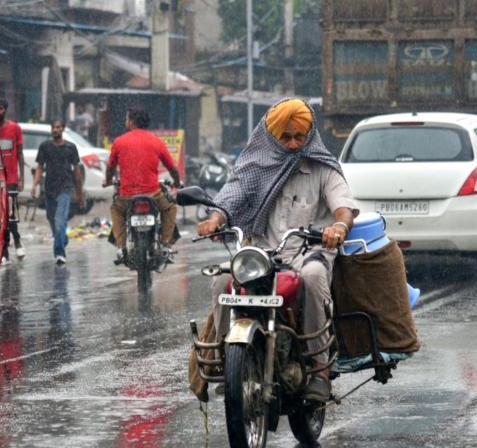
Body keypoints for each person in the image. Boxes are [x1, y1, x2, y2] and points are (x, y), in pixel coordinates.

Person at [196, 98, 359, 403]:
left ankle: (319, 368)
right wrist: (215, 219)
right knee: (221, 279)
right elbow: (233, 192)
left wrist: (339, 227)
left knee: (312, 277)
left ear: (310, 135)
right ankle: (224, 358)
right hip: (262, 254)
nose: (294, 144)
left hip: (307, 252)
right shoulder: (255, 166)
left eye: (300, 137)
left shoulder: (323, 169)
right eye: (286, 137)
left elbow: (344, 206)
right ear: (272, 136)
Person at [104, 107, 182, 263]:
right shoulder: (156, 141)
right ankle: (166, 246)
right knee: (170, 207)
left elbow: (110, 168)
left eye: (127, 119)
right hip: (153, 195)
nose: (126, 122)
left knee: (116, 209)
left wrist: (107, 181)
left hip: (126, 197)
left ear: (132, 121)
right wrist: (177, 182)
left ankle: (121, 247)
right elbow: (172, 168)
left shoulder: (119, 141)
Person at [31, 119, 85, 265]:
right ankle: (63, 239)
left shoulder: (71, 148)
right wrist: (35, 185)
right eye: (53, 127)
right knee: (51, 219)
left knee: (60, 220)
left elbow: (77, 172)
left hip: (65, 189)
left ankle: (60, 253)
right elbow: (40, 167)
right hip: (49, 189)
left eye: (58, 127)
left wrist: (80, 193)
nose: (55, 130)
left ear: (63, 129)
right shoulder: (45, 147)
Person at [0, 98, 25, 265]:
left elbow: (20, 154)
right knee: (1, 217)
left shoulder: (15, 128)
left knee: (12, 214)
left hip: (11, 178)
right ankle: (4, 251)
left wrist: (21, 177)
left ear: (6, 110)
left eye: (1, 109)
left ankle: (17, 240)